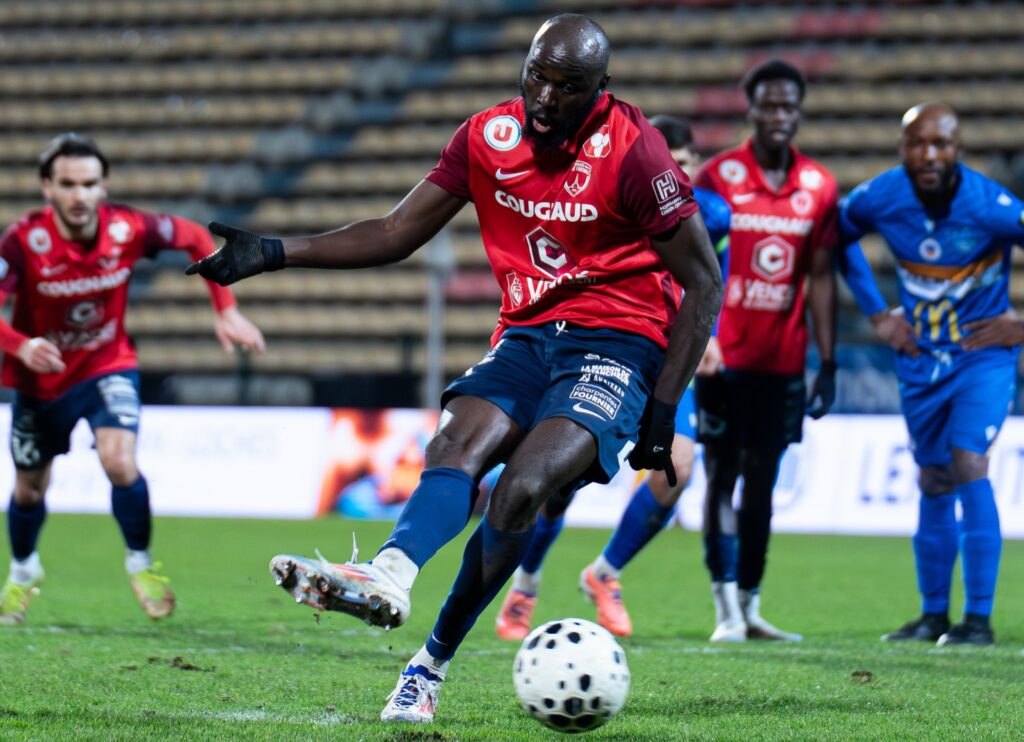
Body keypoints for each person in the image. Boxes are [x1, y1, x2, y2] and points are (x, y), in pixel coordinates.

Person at [187, 14, 722, 724]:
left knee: (523, 488)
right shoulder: (486, 138)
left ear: (600, 90)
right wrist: (276, 251)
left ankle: (428, 666)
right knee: (456, 443)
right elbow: (394, 231)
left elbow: (705, 282)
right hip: (528, 334)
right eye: (537, 76)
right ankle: (389, 573)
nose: (545, 98)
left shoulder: (636, 152)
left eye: (568, 87)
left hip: (617, 342)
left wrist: (660, 413)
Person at [0, 133, 266, 624]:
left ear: (104, 186)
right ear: (47, 188)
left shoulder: (126, 227)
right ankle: (22, 571)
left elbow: (191, 235)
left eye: (89, 184)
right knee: (29, 490)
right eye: (68, 184)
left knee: (120, 462)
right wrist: (22, 344)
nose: (79, 195)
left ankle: (141, 566)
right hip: (42, 380)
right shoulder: (23, 241)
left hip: (107, 364)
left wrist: (224, 308)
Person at [493, 114, 731, 640]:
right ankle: (526, 583)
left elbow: (715, 278)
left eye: (686, 164)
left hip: (669, 360)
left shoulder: (713, 216)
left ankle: (605, 573)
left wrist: (709, 333)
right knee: (558, 483)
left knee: (679, 469)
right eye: (670, 163)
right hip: (609, 349)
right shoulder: (615, 203)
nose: (677, 173)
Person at [839, 103, 1024, 647]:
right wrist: (877, 314)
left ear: (958, 150)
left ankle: (979, 621)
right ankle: (934, 616)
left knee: (968, 462)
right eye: (918, 143)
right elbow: (838, 237)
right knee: (932, 478)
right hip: (921, 361)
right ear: (902, 148)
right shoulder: (881, 196)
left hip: (979, 359)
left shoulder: (990, 205)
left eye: (941, 144)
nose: (930, 154)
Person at [693, 59, 839, 643]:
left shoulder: (819, 187)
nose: (780, 116)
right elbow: (694, 267)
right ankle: (724, 604)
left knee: (763, 485)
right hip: (723, 356)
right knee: (721, 475)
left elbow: (822, 277)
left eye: (789, 106)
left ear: (799, 112)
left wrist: (826, 362)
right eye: (769, 105)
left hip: (783, 362)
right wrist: (700, 337)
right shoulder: (717, 176)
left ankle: (751, 604)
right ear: (750, 109)